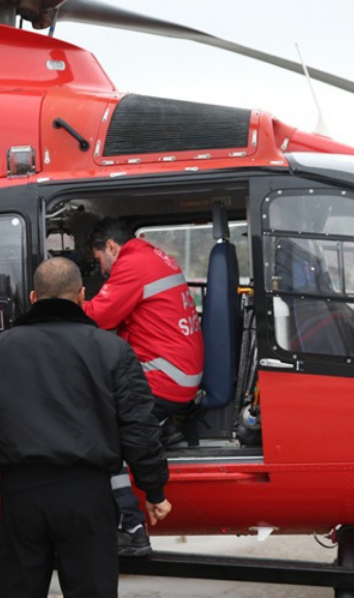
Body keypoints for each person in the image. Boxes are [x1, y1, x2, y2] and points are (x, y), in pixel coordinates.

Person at [0, 257, 171, 598]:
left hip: (20, 495)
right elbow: (139, 427)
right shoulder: (112, 349)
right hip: (88, 495)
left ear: (34, 298)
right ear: (82, 296)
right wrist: (153, 489)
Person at [82, 217, 203, 555]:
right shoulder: (155, 256)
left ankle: (130, 526)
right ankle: (165, 429)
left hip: (163, 378)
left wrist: (60, 302)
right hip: (181, 375)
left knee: (100, 435)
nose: (103, 271)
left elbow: (98, 317)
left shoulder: (131, 265)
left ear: (110, 247)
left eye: (100, 261)